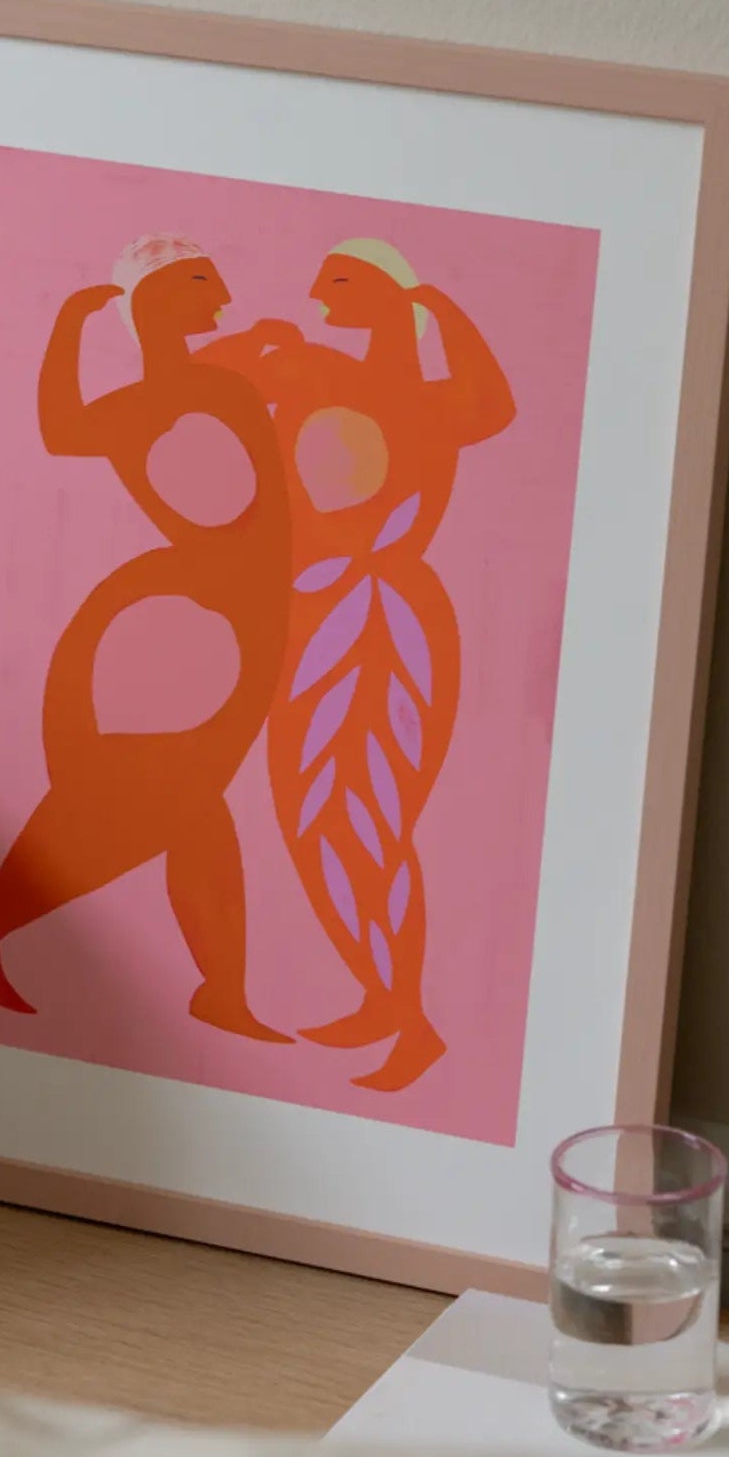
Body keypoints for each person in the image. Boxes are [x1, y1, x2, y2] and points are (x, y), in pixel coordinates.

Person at [0, 236, 295, 1043]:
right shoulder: (158, 404)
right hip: (189, 626)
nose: (222, 300)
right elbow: (59, 428)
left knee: (187, 808)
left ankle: (220, 991)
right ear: (158, 301)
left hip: (228, 619)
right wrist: (70, 326)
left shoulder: (219, 388)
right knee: (160, 802)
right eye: (203, 283)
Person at [206, 240, 515, 1090]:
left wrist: (437, 304)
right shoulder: (317, 372)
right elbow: (214, 382)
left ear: (386, 293)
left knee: (368, 817)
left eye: (339, 285)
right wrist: (259, 342)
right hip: (310, 615)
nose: (318, 299)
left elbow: (494, 405)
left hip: (380, 622)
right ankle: (384, 995)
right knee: (312, 817)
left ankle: (414, 1023)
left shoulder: (424, 399)